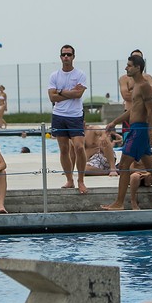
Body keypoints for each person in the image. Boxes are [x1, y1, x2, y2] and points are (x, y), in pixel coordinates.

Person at [101, 56, 152, 211]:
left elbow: (151, 110)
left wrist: (150, 133)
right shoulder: (136, 86)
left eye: (129, 66)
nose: (126, 68)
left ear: (138, 67)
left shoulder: (144, 86)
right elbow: (133, 110)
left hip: (140, 130)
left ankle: (119, 203)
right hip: (135, 129)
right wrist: (114, 122)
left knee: (124, 164)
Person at [49, 44, 90, 193]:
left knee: (79, 147)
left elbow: (78, 95)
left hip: (75, 115)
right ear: (60, 57)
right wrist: (69, 92)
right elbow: (51, 97)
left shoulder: (80, 74)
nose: (66, 57)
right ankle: (69, 180)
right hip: (59, 115)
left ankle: (81, 180)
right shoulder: (54, 76)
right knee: (64, 149)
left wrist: (60, 92)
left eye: (69, 54)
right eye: (64, 54)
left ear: (73, 57)